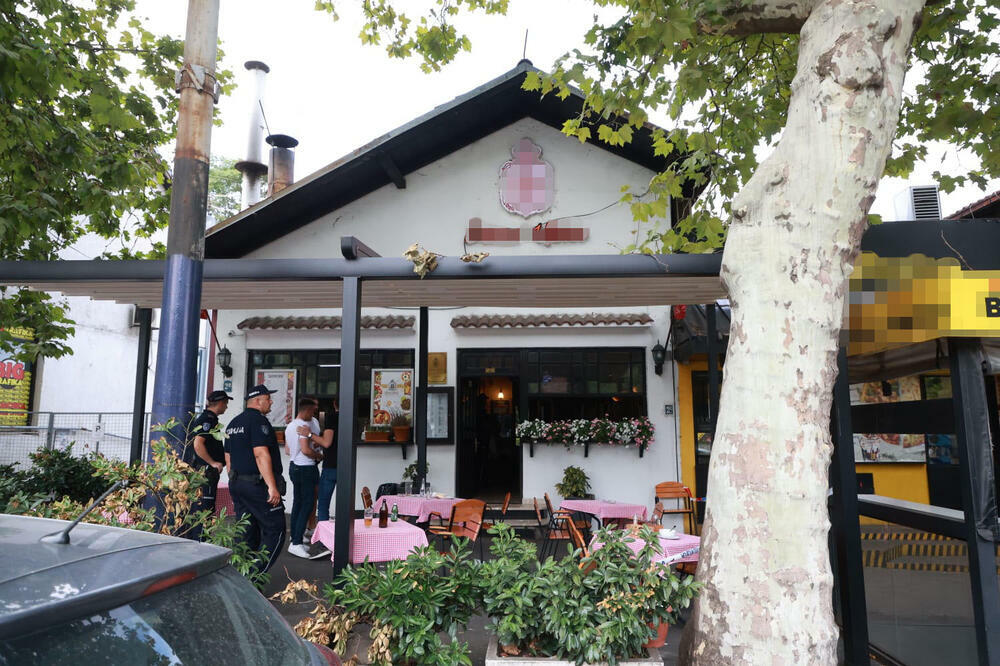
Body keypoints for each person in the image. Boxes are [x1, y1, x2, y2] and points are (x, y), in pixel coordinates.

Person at [225, 384, 286, 576]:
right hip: (257, 486)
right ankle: (253, 576)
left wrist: (235, 481)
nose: (271, 402)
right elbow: (260, 454)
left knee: (246, 532)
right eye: (268, 399)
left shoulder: (233, 423)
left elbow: (228, 457)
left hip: (238, 484)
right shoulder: (259, 422)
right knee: (276, 530)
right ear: (258, 401)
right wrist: (272, 487)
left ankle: (238, 576)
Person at [285, 398, 330, 558]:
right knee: (307, 504)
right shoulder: (301, 426)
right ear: (306, 410)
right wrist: (319, 456)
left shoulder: (291, 426)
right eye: (312, 410)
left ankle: (295, 537)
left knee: (298, 503)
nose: (314, 413)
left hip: (295, 466)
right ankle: (296, 543)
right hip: (306, 467)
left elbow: (288, 449)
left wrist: (315, 444)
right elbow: (305, 450)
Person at [184, 389, 231, 541]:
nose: (227, 407)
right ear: (220, 403)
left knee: (202, 509)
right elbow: (198, 444)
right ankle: (200, 542)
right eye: (226, 403)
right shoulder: (208, 420)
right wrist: (212, 463)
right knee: (204, 509)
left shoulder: (209, 419)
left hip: (204, 472)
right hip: (205, 473)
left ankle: (197, 540)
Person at [314, 399, 338, 522]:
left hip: (330, 465)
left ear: (334, 404)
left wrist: (310, 435)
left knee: (323, 504)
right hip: (347, 466)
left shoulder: (332, 417)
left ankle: (324, 533)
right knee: (345, 504)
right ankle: (345, 531)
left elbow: (327, 442)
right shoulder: (351, 418)